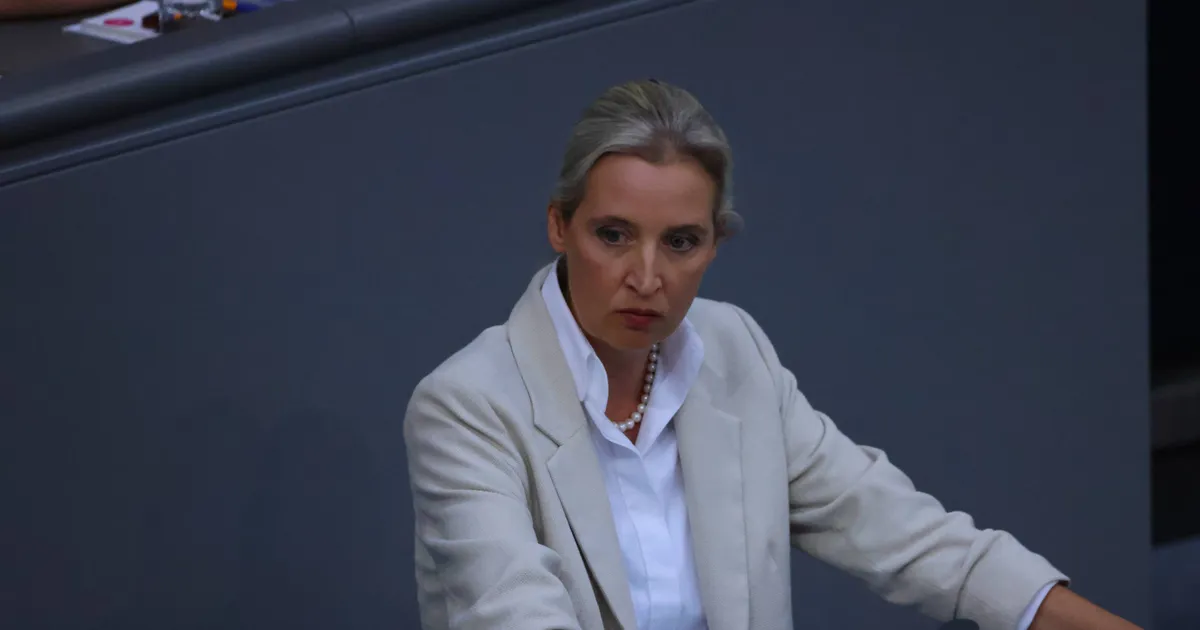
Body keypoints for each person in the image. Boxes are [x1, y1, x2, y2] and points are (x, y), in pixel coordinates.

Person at [402, 79, 1140, 630]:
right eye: (614, 235)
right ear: (560, 227)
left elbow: (901, 532)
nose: (647, 277)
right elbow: (517, 616)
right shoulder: (466, 406)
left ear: (714, 245)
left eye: (681, 242)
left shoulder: (734, 352)